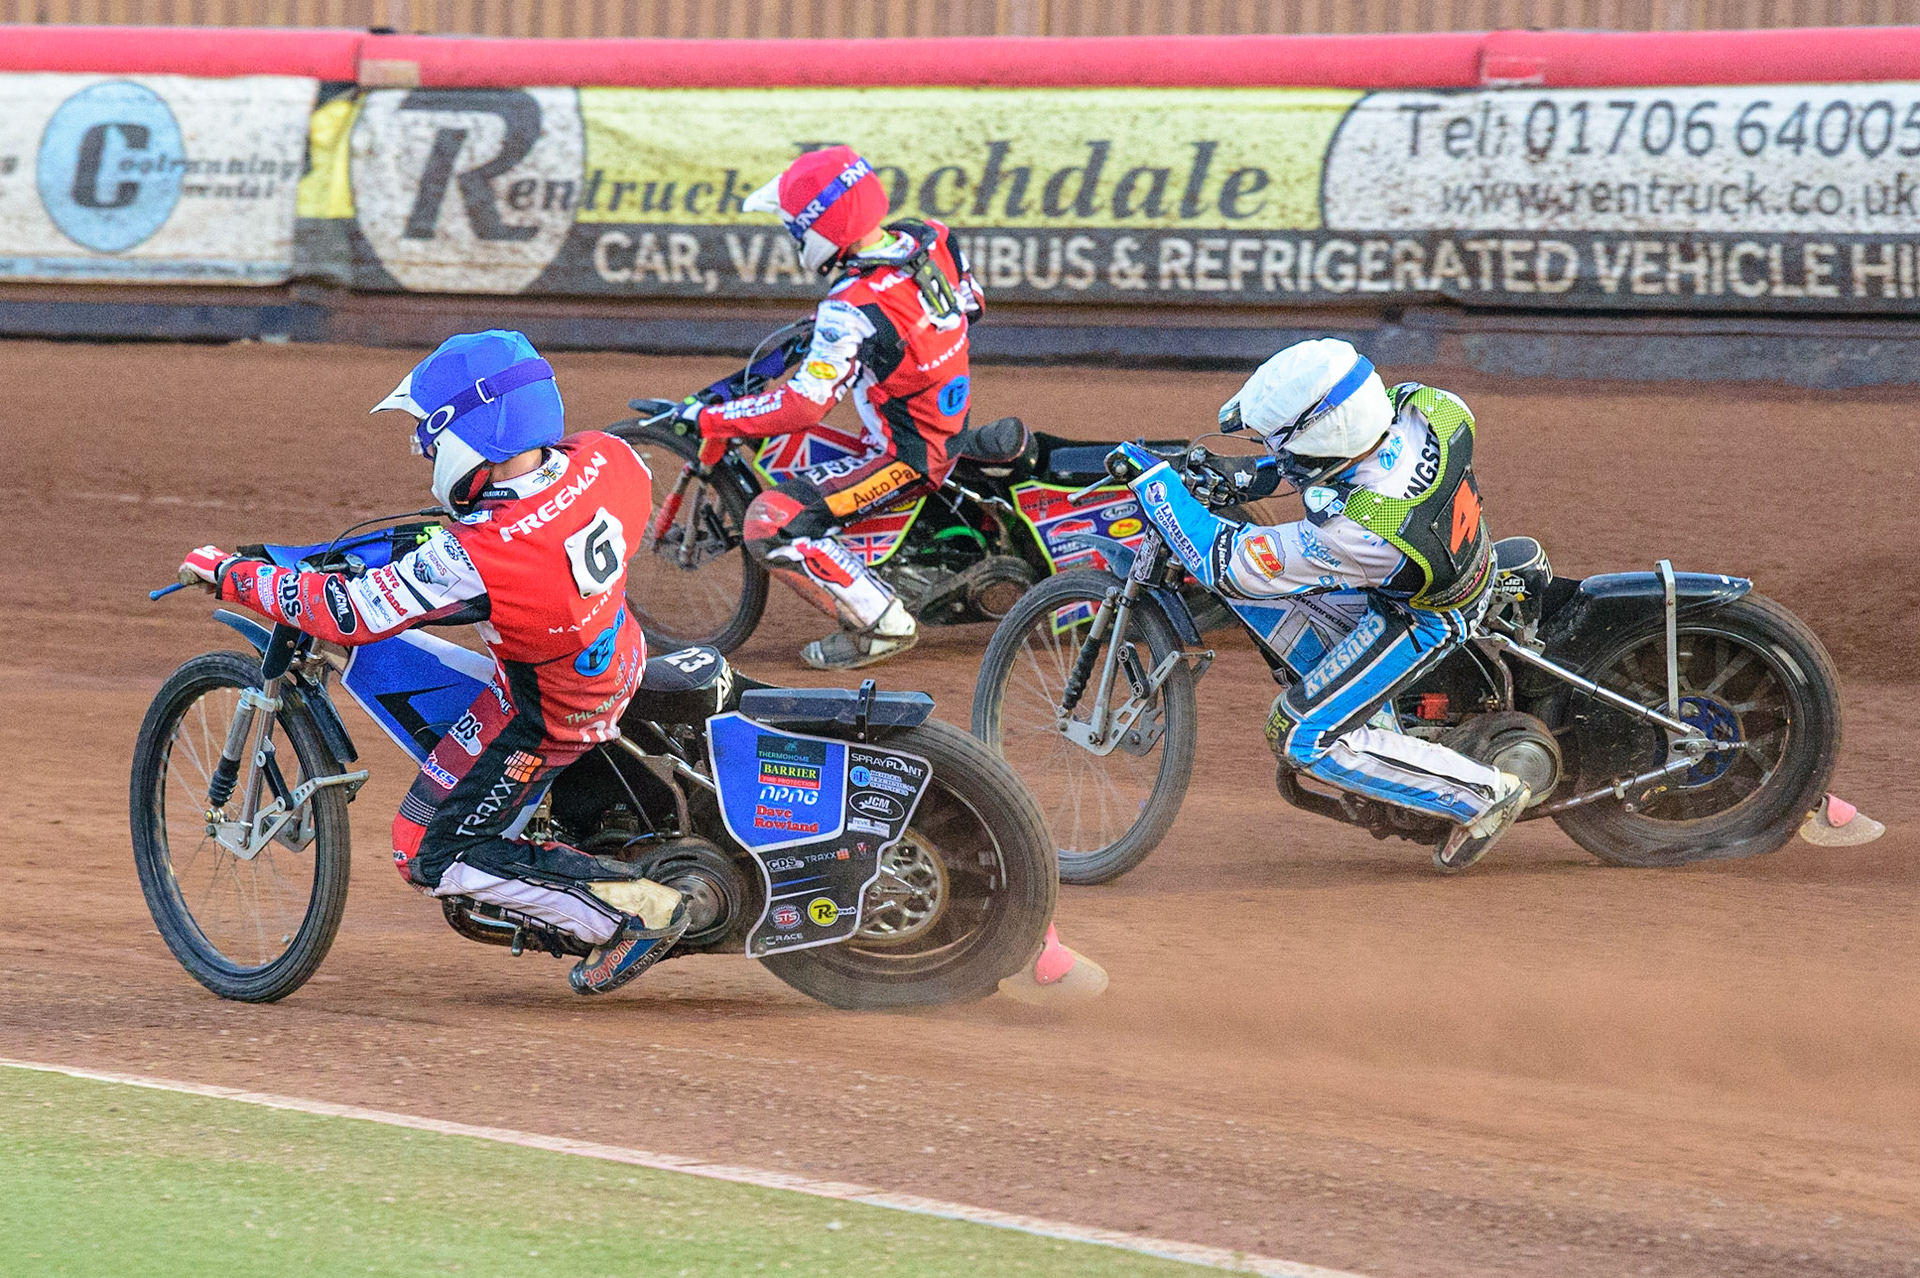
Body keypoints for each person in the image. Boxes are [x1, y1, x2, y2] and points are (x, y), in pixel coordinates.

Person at [177, 329, 689, 993]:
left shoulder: (481, 553)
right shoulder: (609, 458)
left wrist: (231, 575)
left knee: (424, 851)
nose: (424, 446)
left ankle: (633, 912)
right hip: (609, 650)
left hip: (548, 709)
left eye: (430, 430)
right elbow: (533, 525)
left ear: (473, 430)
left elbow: (352, 612)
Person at [1138, 338, 1530, 871]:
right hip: (1458, 558)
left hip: (1425, 615)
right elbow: (1348, 454)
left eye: (1281, 441)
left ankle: (1483, 797)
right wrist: (1255, 474)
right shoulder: (1436, 407)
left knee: (1300, 734)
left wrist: (1156, 484)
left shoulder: (1363, 527)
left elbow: (1224, 563)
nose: (1276, 449)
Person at [681, 144, 986, 670]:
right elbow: (974, 304)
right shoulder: (930, 237)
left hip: (909, 457)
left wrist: (712, 418)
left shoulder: (851, 306)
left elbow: (803, 406)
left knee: (771, 521)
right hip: (944, 417)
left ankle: (881, 625)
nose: (793, 238)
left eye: (794, 228)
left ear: (819, 230)